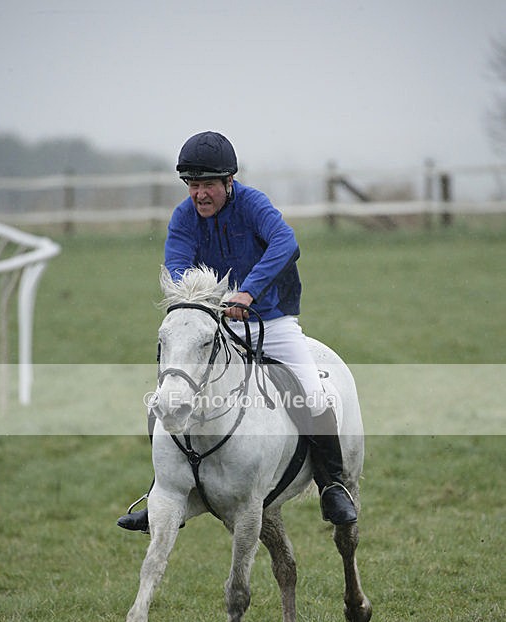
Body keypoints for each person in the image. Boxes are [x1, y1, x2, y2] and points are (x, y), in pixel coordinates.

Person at [118, 131, 357, 531]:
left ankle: (333, 486)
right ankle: (163, 489)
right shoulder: (182, 217)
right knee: (166, 395)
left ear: (230, 181)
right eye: (193, 185)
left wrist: (247, 293)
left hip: (273, 320)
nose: (200, 194)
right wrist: (202, 304)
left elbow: (286, 242)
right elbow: (177, 269)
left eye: (208, 184)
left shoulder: (253, 205)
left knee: (312, 393)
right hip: (217, 325)